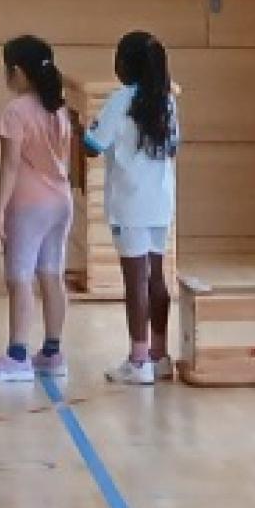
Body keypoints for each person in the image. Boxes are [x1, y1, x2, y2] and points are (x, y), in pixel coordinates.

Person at [0, 35, 80, 384]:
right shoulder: (59, 109)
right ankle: (53, 352)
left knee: (19, 278)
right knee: (51, 274)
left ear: (17, 72)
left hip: (28, 204)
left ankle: (18, 355)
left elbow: (9, 166)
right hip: (60, 200)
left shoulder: (16, 111)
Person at [89, 28, 184, 383]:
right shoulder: (167, 100)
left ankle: (138, 359)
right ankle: (159, 355)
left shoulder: (120, 100)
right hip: (161, 199)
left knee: (135, 281)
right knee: (156, 277)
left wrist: (84, 127)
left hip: (129, 201)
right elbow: (173, 146)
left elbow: (93, 144)